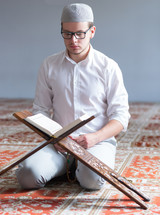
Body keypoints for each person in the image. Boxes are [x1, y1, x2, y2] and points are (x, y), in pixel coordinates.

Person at [16, 3, 130, 190]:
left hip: (97, 142)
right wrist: (55, 138)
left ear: (92, 31)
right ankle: (67, 164)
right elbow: (41, 110)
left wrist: (95, 137)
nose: (73, 40)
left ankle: (78, 168)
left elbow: (121, 116)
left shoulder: (108, 67)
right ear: (61, 30)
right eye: (67, 33)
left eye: (80, 33)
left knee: (92, 180)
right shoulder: (49, 65)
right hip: (59, 144)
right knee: (27, 176)